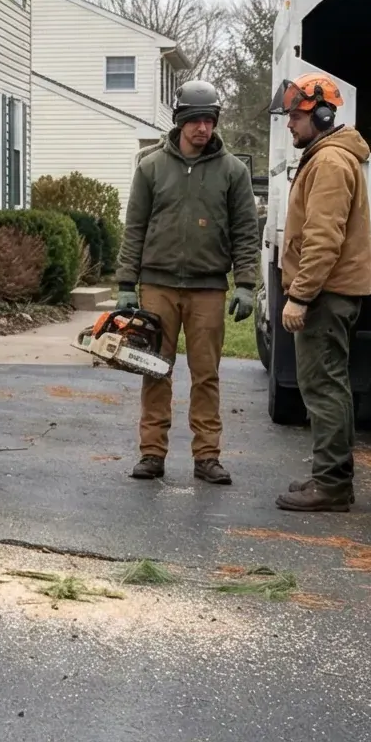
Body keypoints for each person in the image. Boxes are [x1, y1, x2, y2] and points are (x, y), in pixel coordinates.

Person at [115, 81, 259, 484]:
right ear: (179, 122)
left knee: (207, 374)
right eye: (195, 120)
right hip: (157, 286)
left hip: (208, 288)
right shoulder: (150, 166)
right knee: (154, 368)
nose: (202, 128)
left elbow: (246, 230)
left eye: (209, 120)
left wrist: (246, 283)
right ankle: (151, 453)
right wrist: (127, 282)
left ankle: (207, 456)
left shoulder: (233, 171)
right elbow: (135, 227)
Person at [272, 72, 371, 512]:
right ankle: (330, 477)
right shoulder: (326, 157)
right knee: (328, 385)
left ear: (323, 114)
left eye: (296, 115)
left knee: (323, 387)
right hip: (330, 292)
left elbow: (323, 238)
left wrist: (300, 295)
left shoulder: (330, 163)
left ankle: (331, 484)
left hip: (325, 294)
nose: (290, 124)